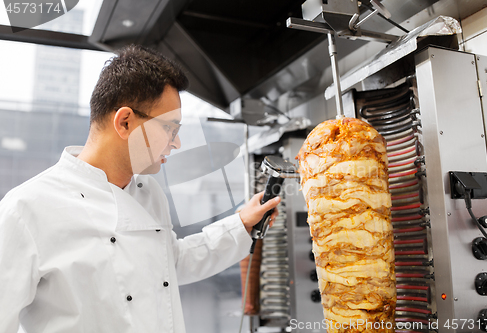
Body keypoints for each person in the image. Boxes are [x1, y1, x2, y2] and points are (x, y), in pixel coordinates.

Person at [0, 45, 280, 333]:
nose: (176, 143)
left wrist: (241, 223)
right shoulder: (26, 209)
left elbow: (171, 262)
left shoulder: (149, 192)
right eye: (170, 128)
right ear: (125, 122)